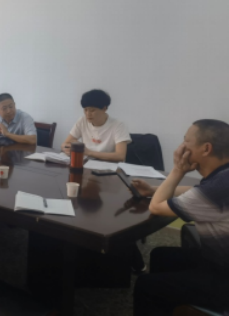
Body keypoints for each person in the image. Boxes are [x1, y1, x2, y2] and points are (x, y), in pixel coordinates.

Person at [132, 120, 229, 315]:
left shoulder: (220, 186)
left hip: (223, 277)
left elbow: (156, 207)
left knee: (146, 285)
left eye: (186, 141)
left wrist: (177, 170)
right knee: (161, 256)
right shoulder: (222, 176)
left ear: (206, 148)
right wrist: (152, 190)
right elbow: (197, 191)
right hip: (217, 260)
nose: (181, 147)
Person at [61, 89, 131, 162]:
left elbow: (120, 156)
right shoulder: (82, 121)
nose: (88, 114)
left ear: (104, 109)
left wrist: (88, 152)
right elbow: (65, 144)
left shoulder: (118, 125)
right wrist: (66, 148)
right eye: (85, 110)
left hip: (108, 165)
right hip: (86, 162)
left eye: (92, 110)